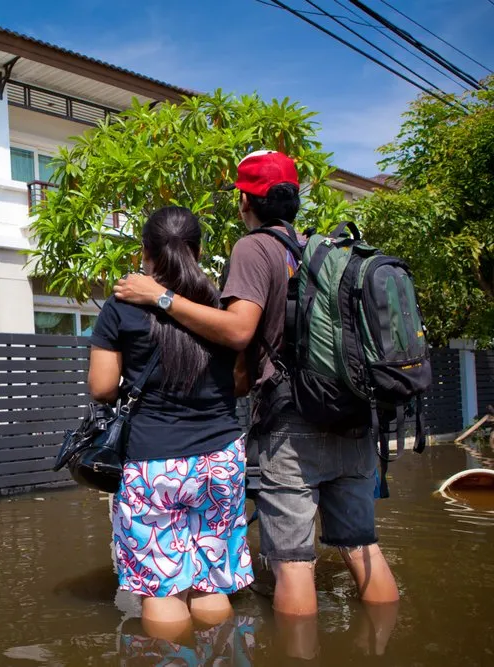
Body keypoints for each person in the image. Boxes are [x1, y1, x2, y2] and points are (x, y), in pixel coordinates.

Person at [113, 150, 399, 624]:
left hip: (295, 421)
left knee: (292, 562)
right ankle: (387, 643)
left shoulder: (255, 247)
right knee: (362, 547)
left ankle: (297, 655)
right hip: (352, 415)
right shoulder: (318, 249)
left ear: (246, 200)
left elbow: (239, 331)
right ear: (295, 199)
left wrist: (159, 296)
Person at [88, 205, 254, 642]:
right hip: (221, 458)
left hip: (155, 462)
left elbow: (102, 388)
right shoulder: (220, 306)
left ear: (146, 251)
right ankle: (218, 653)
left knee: (162, 589)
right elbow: (242, 381)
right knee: (211, 583)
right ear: (197, 250)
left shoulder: (121, 306)